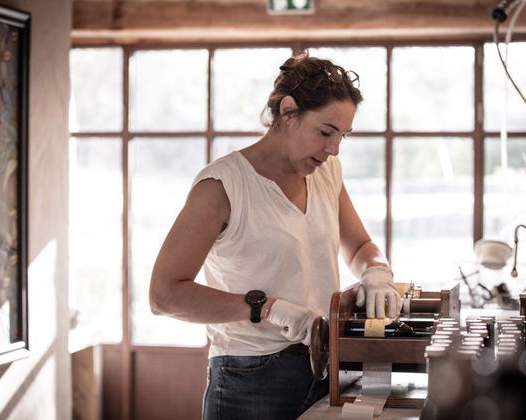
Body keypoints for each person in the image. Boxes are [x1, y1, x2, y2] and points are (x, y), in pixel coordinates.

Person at [149, 51, 402, 420]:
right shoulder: (223, 185)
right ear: (288, 111)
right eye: (326, 132)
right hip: (249, 377)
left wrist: (377, 272)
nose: (334, 148)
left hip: (326, 368)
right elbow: (164, 295)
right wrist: (265, 308)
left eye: (342, 136)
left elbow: (361, 246)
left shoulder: (327, 172)